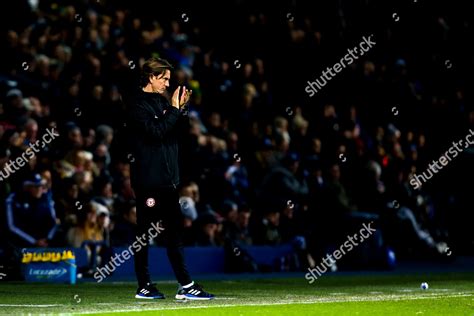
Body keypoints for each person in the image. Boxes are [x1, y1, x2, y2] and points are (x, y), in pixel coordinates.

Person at [127, 57, 214, 300]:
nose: (167, 82)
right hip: (149, 181)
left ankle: (177, 285)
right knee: (148, 234)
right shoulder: (137, 105)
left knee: (171, 232)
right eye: (163, 78)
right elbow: (156, 133)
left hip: (167, 180)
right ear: (151, 78)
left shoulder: (162, 102)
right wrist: (174, 110)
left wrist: (181, 109)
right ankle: (157, 285)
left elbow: (175, 133)